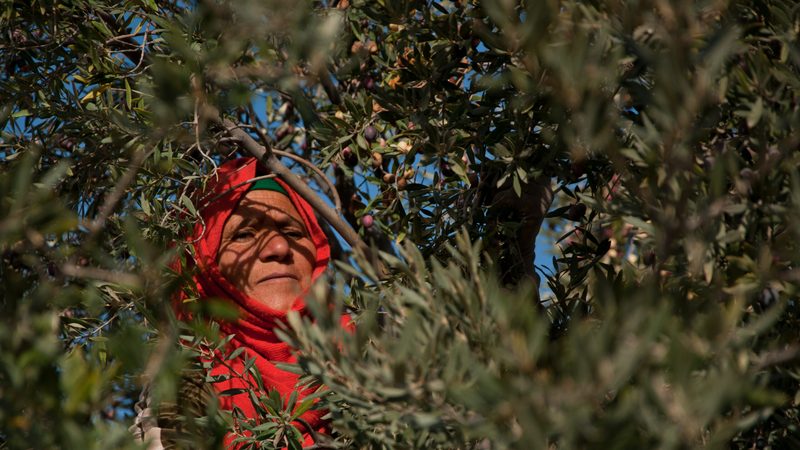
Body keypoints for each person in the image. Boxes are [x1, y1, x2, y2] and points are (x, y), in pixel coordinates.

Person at [131, 157, 350, 449]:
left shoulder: (375, 352)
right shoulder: (183, 388)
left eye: (294, 233)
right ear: (203, 263)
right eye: (244, 234)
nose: (279, 248)